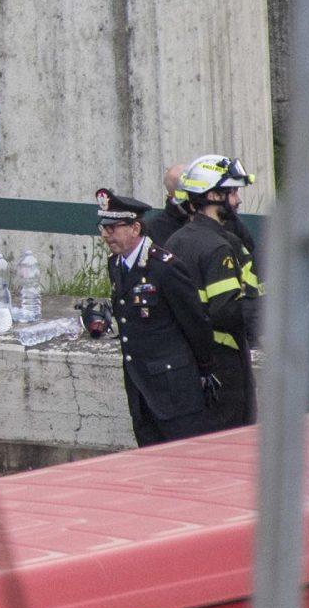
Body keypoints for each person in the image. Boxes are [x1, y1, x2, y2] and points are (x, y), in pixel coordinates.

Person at [95, 189, 215, 444]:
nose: (105, 235)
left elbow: (195, 322)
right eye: (103, 228)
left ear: (134, 228)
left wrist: (205, 369)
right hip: (140, 388)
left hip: (174, 388)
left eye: (112, 228)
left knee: (187, 459)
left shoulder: (164, 267)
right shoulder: (116, 265)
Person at [162, 153, 259, 430]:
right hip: (225, 363)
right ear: (214, 196)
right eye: (233, 192)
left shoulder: (176, 240)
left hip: (187, 361)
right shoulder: (218, 247)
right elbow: (226, 310)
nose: (238, 200)